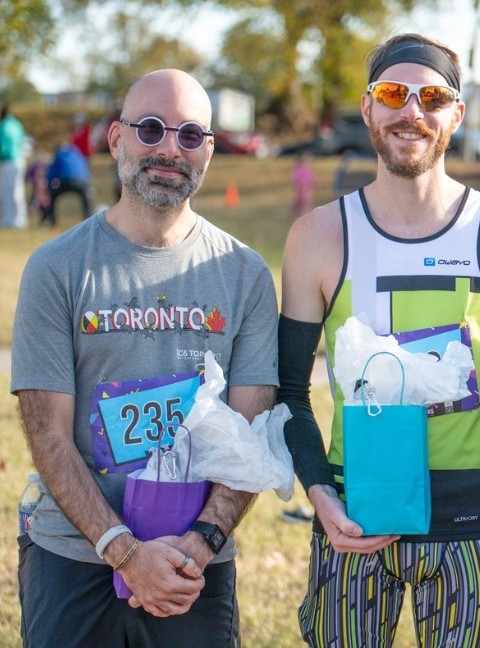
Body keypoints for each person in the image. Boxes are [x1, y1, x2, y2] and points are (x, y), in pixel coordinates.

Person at [278, 33, 480, 647]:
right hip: (354, 514)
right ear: (368, 106)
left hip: (467, 517)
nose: (412, 111)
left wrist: (469, 426)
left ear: (456, 113)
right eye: (394, 94)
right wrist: (322, 495)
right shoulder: (318, 235)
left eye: (432, 96)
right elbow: (288, 392)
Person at [9, 68, 279, 645]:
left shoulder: (246, 276)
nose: (168, 149)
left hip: (192, 563)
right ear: (116, 140)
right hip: (75, 554)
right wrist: (124, 551)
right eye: (151, 128)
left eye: (189, 135)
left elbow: (250, 430)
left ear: (208, 150)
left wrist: (201, 542)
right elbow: (46, 433)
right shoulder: (56, 269)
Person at [43, 143, 93, 227]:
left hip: (64, 182)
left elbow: (52, 173)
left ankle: (53, 223)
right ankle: (88, 220)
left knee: (52, 197)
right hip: (81, 182)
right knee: (86, 199)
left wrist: (49, 187)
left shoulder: (58, 155)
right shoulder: (78, 154)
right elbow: (85, 171)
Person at [1, 103, 28, 229]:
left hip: (8, 161)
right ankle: (21, 219)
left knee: (9, 192)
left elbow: (3, 147)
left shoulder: (4, 126)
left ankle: (10, 220)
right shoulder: (18, 125)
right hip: (20, 160)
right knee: (18, 190)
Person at [290, 150, 315, 218]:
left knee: (306, 201)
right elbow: (296, 179)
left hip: (307, 188)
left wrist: (312, 184)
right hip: (301, 188)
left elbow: (311, 177)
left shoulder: (307, 168)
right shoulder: (297, 169)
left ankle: (306, 214)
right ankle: (297, 214)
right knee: (300, 202)